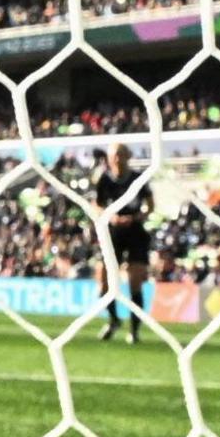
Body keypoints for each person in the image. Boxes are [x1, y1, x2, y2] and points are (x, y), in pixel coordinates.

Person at [93, 148, 156, 346]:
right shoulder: (104, 180)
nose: (117, 159)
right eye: (114, 156)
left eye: (121, 155)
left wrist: (137, 217)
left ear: (128, 156)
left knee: (135, 281)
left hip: (135, 231)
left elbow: (150, 204)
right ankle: (113, 320)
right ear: (110, 159)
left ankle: (134, 330)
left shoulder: (137, 179)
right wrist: (111, 216)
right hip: (113, 232)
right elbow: (97, 204)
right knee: (103, 281)